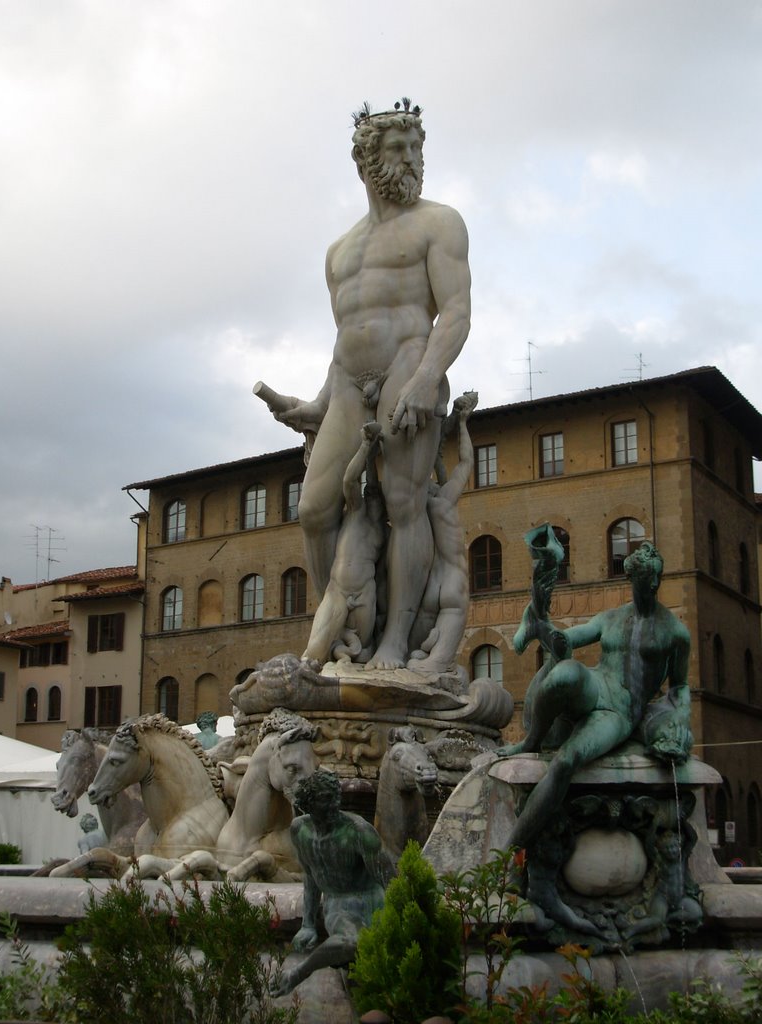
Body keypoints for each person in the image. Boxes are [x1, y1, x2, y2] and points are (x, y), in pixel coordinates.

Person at [267, 99, 471, 670]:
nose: (412, 160)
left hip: (411, 364)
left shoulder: (440, 222)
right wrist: (314, 404)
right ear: (365, 161)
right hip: (350, 384)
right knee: (313, 508)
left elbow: (454, 312)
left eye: (416, 148)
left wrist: (429, 378)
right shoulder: (339, 252)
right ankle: (345, 621)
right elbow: (345, 340)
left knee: (404, 503)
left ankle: (394, 642)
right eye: (398, 149)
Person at [499, 541, 693, 853]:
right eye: (640, 580)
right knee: (565, 672)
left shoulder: (674, 632)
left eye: (651, 580)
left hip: (621, 710)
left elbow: (680, 687)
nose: (646, 587)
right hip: (598, 682)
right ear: (631, 579)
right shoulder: (611, 618)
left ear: (658, 580)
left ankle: (511, 851)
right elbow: (573, 638)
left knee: (566, 760)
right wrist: (548, 632)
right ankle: (530, 741)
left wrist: (680, 719)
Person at [274, 768, 391, 995]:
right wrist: (308, 924)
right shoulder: (299, 830)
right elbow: (310, 875)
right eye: (326, 799)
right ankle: (298, 974)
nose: (334, 804)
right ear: (308, 803)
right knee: (351, 943)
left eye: (337, 796)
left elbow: (390, 880)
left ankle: (298, 972)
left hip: (374, 899)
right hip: (340, 904)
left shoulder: (358, 832)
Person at [302, 421, 387, 664]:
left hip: (365, 594)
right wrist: (367, 447)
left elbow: (384, 573)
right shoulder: (356, 511)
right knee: (315, 653)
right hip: (338, 591)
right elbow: (351, 480)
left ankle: (344, 655)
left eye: (376, 495)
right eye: (371, 493)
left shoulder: (385, 532)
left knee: (362, 653)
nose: (372, 495)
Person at [407, 391, 477, 676]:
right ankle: (435, 660)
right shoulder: (445, 500)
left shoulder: (414, 507)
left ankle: (421, 655)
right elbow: (466, 463)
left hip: (427, 588)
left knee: (411, 661)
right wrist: (462, 423)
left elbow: (435, 463)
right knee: (434, 668)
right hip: (452, 582)